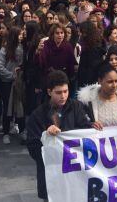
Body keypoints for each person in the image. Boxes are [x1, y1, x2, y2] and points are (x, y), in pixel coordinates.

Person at [26, 70, 92, 201]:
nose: (63, 96)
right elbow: (33, 149)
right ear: (49, 92)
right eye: (58, 92)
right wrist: (46, 136)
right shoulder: (37, 115)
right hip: (51, 175)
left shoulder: (76, 107)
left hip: (76, 172)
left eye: (66, 91)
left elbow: (87, 132)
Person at [77, 64, 117, 129]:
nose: (114, 85)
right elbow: (82, 124)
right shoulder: (88, 102)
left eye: (116, 81)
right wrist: (91, 125)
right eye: (110, 82)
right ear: (100, 81)